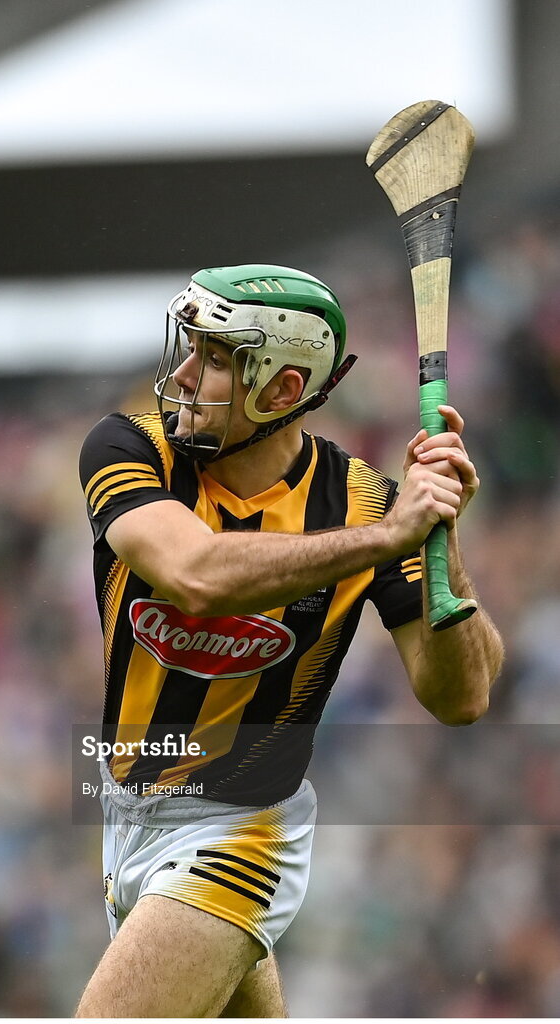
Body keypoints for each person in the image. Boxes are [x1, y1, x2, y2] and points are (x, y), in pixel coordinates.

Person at [76, 264, 504, 1018]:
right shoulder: (130, 449)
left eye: (214, 358)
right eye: (192, 348)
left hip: (243, 830)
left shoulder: (369, 502)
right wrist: (382, 539)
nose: (183, 372)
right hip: (127, 814)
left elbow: (462, 695)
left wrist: (439, 536)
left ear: (280, 390)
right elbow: (195, 573)